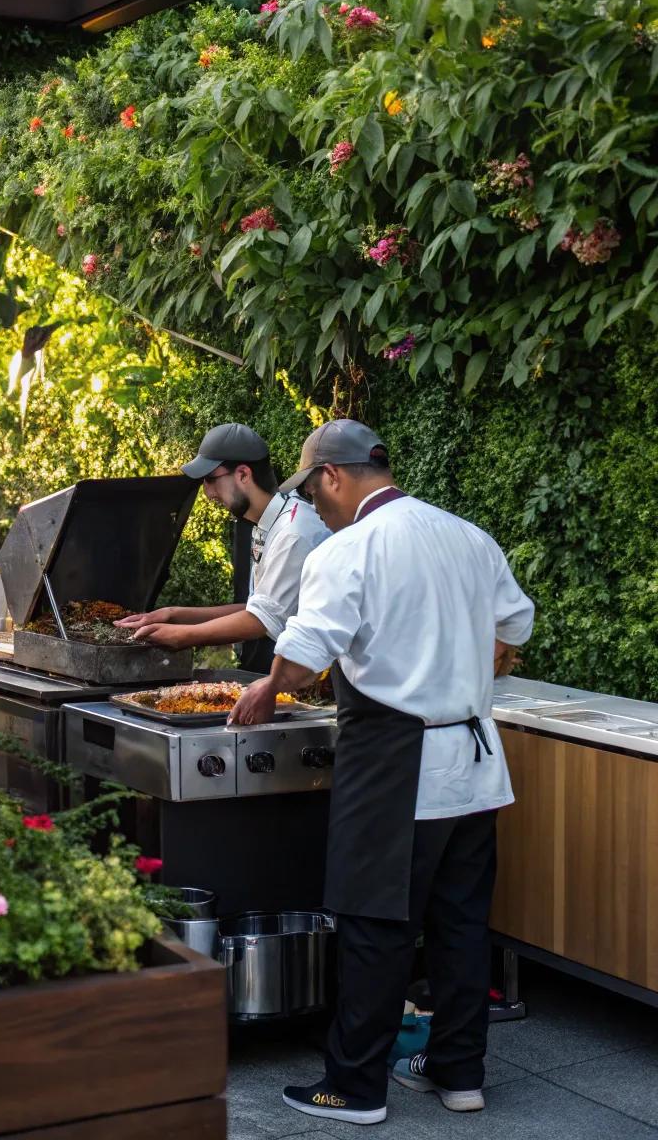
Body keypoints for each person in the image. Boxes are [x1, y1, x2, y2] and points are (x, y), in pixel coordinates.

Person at [229, 419, 534, 1126]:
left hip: (397, 766)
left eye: (314, 490)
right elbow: (514, 626)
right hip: (474, 765)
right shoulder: (466, 535)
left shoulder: (350, 548)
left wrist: (267, 687)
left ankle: (355, 1086)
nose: (315, 506)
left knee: (375, 925)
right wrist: (458, 664)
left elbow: (305, 654)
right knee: (460, 927)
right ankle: (460, 1075)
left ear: (333, 475)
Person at [116, 422, 329, 673]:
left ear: (243, 475)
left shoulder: (293, 532)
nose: (207, 493)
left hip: (308, 681)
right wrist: (173, 614)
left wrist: (184, 636)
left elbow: (261, 621)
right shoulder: (271, 521)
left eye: (211, 479)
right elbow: (256, 607)